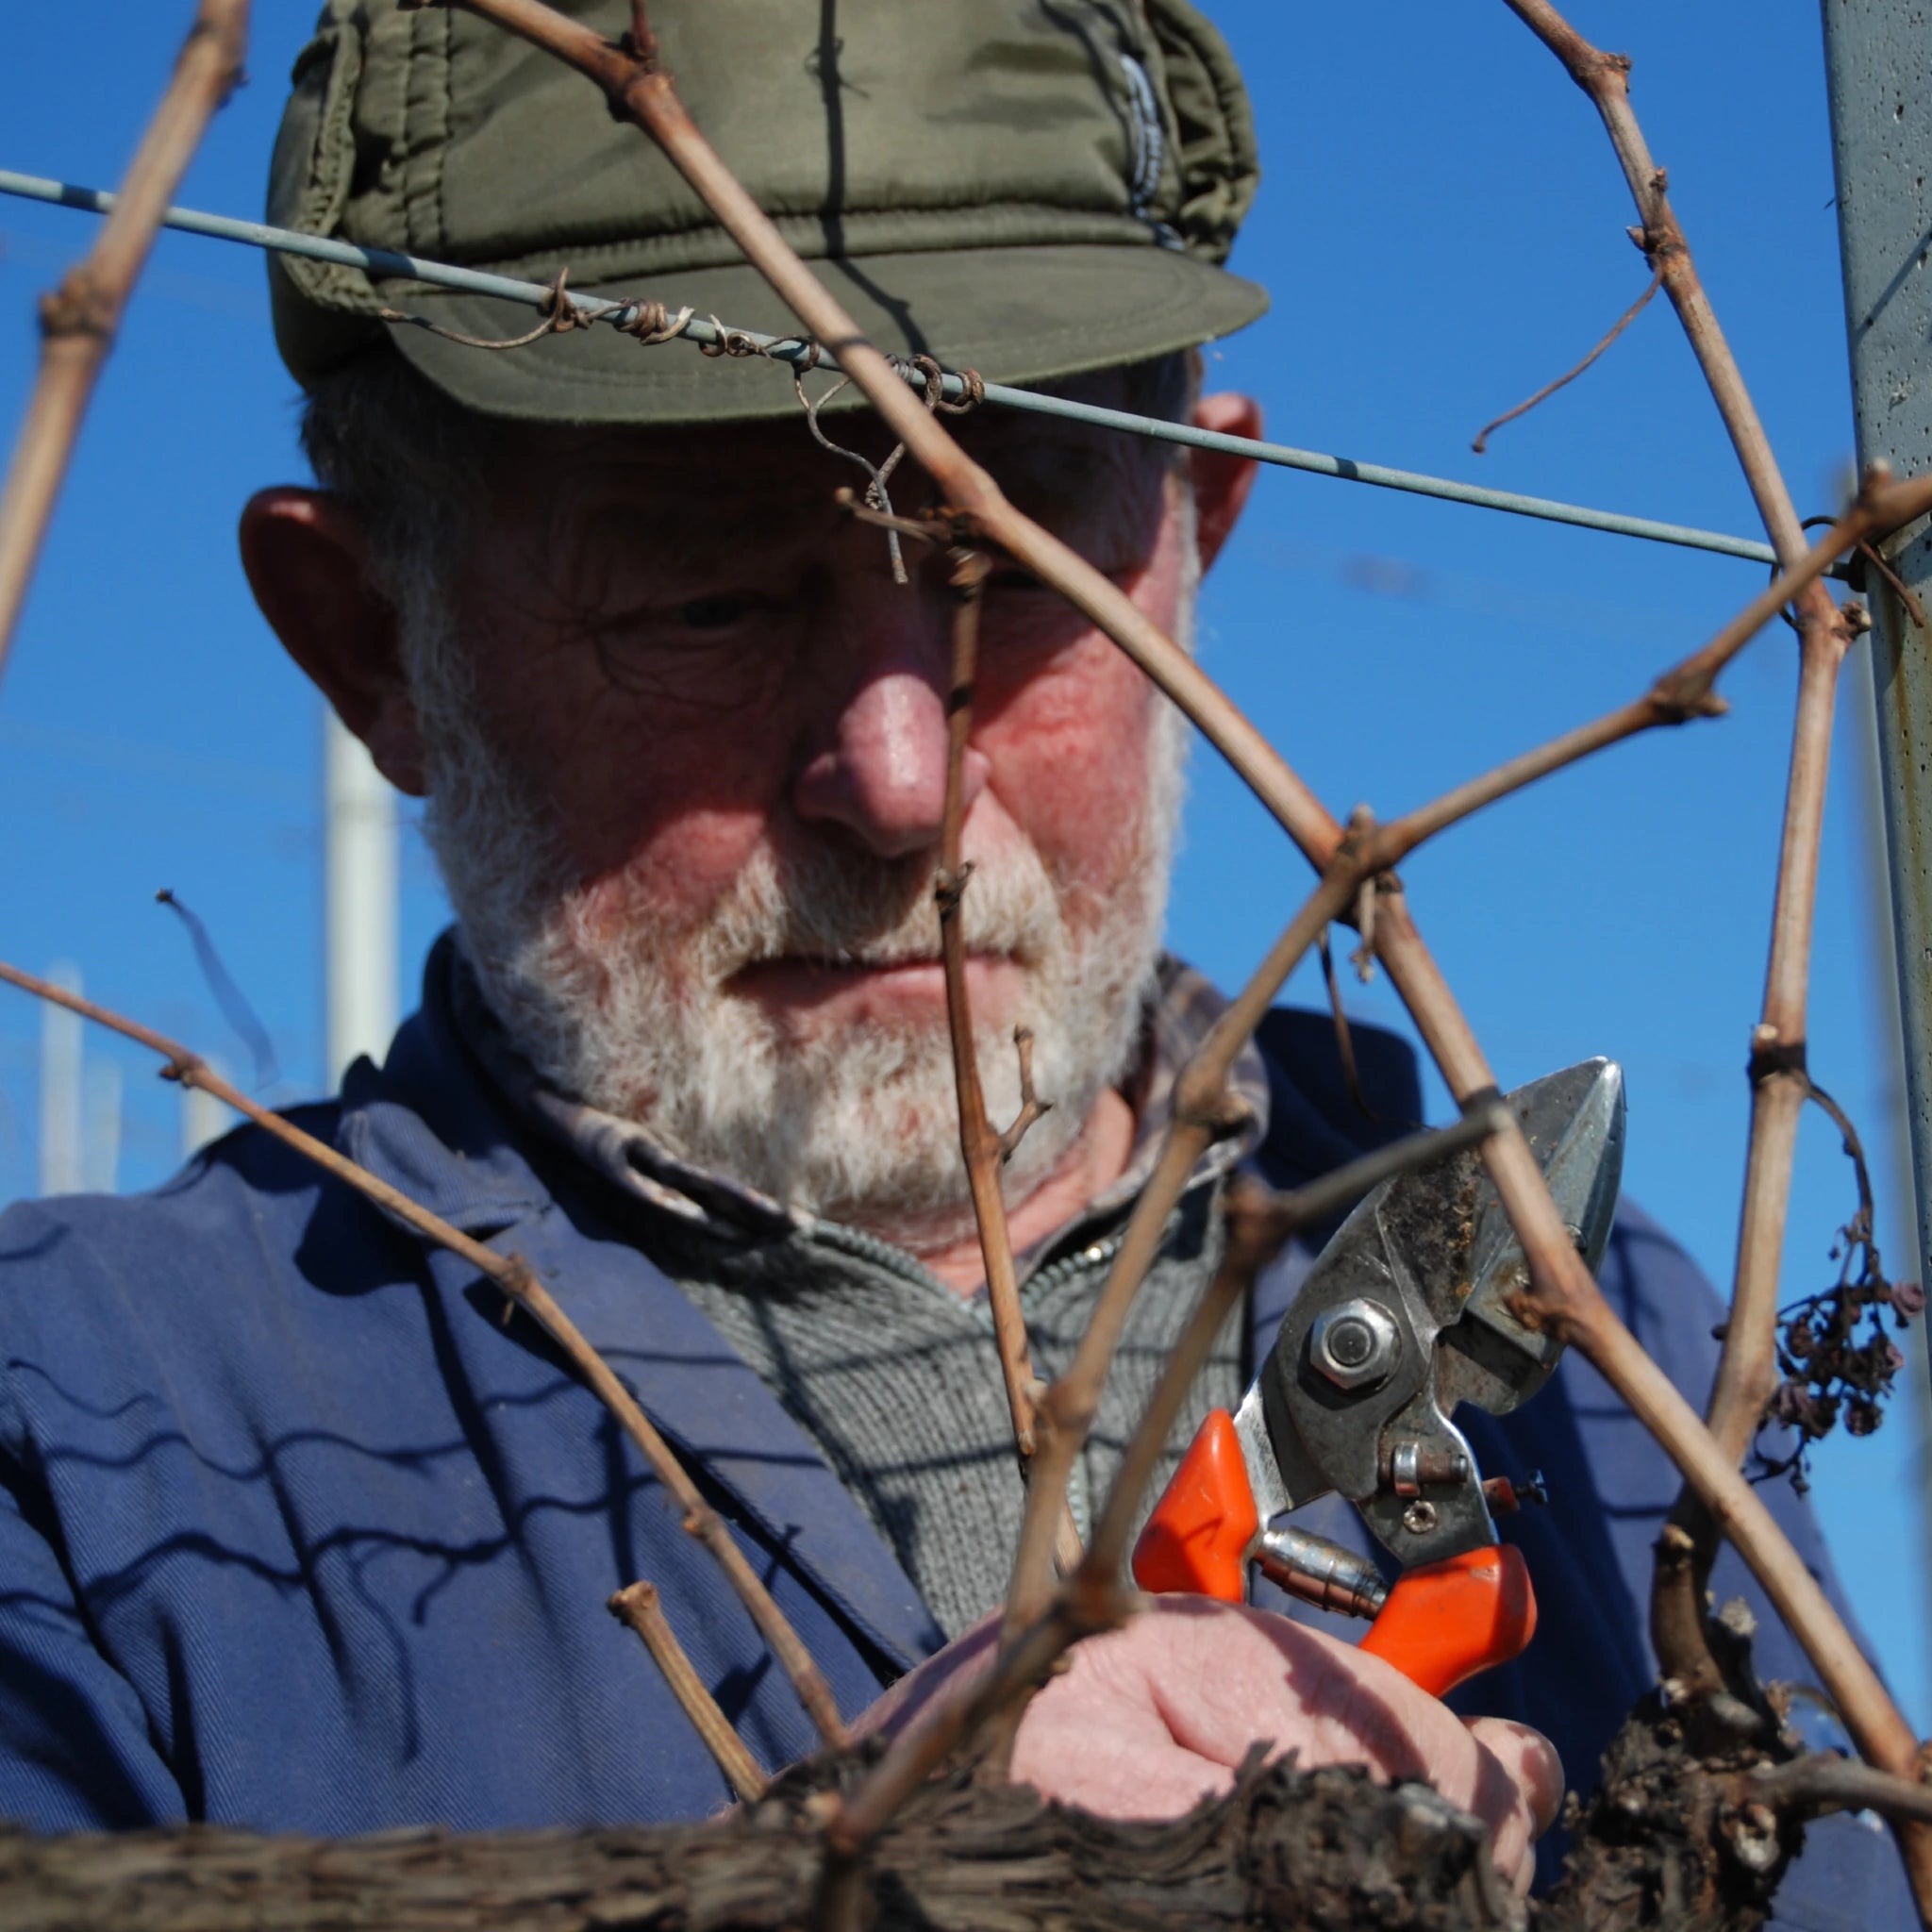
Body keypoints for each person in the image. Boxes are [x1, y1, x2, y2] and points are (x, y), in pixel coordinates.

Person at [0, 0, 1907, 1916]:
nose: (895, 782)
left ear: (1192, 525)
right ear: (367, 643)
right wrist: (874, 1883)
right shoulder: (75, 1441)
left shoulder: (1608, 1343)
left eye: (1015, 572)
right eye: (711, 597)